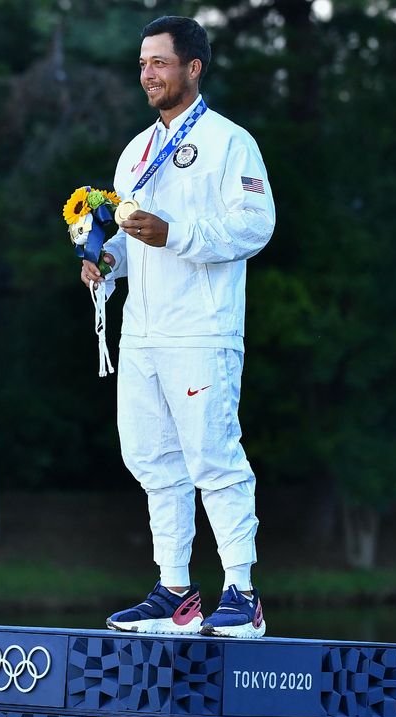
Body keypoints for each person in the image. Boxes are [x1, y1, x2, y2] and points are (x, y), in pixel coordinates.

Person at [80, 16, 275, 638]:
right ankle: (176, 591)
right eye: (142, 64)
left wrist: (177, 234)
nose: (147, 74)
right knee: (151, 459)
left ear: (193, 67)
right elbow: (137, 246)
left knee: (213, 458)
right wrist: (105, 265)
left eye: (159, 63)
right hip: (142, 331)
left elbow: (255, 226)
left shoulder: (229, 143)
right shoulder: (134, 152)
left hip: (202, 328)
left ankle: (243, 593)